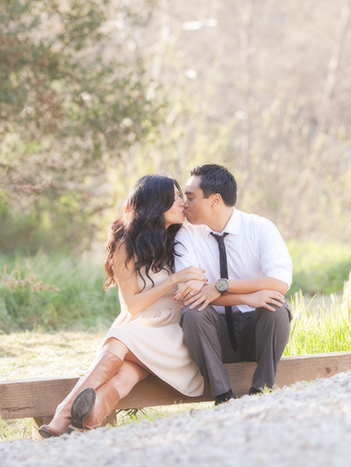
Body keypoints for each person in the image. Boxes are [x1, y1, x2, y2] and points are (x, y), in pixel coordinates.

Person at [38, 175, 206, 438]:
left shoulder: (182, 238)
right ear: (154, 202)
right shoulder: (125, 241)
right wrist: (174, 279)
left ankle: (63, 413)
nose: (182, 203)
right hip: (140, 323)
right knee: (125, 374)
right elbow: (134, 305)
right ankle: (91, 417)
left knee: (121, 345)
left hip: (174, 331)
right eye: (174, 197)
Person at [173, 164, 293, 405]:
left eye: (190, 197)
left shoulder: (260, 228)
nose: (184, 204)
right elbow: (194, 293)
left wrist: (221, 285)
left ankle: (262, 392)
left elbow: (279, 282)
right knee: (194, 312)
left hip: (255, 332)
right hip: (212, 335)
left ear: (215, 200)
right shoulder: (186, 235)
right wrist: (247, 296)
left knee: (276, 307)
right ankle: (223, 397)